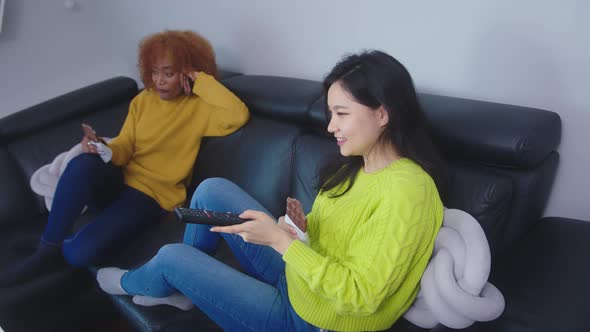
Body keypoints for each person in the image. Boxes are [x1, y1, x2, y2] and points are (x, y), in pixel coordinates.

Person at [97, 50, 446, 331]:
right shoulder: (358, 163)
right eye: (330, 113)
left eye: (341, 113)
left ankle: (135, 282)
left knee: (173, 257)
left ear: (382, 114)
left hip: (313, 320)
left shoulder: (407, 192)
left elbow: (361, 295)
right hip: (302, 278)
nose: (330, 126)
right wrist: (301, 229)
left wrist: (283, 242)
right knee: (210, 190)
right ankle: (182, 289)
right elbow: (341, 244)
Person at [0, 30, 249, 287]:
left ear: (187, 71)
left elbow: (237, 115)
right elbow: (125, 144)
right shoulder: (143, 100)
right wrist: (102, 147)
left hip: (151, 197)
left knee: (79, 254)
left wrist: (201, 80)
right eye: (154, 72)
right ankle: (48, 247)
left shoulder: (200, 108)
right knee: (83, 163)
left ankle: (62, 248)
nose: (159, 81)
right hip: (120, 178)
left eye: (168, 73)